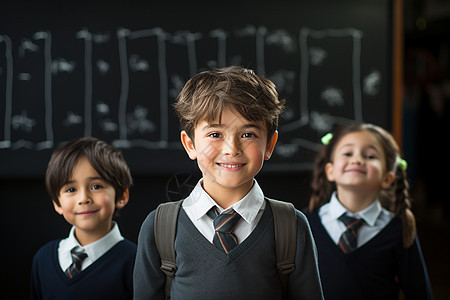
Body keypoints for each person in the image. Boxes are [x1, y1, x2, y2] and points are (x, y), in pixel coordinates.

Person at [133, 66, 324, 299]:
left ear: (270, 145)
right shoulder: (160, 227)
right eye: (215, 134)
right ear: (190, 144)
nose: (231, 149)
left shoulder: (290, 225)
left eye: (248, 134)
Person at [305, 123, 433, 299]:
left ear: (387, 178)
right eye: (348, 153)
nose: (357, 160)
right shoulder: (304, 223)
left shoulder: (399, 229)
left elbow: (420, 293)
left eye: (370, 156)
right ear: (330, 171)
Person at [31, 137, 136, 299]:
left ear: (122, 195)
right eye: (71, 189)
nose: (83, 198)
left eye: (96, 186)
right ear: (57, 203)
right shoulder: (43, 258)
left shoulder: (136, 261)